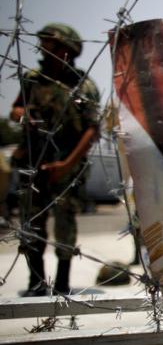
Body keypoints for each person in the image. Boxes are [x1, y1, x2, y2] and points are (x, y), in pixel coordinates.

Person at [10, 23, 99, 297]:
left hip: (67, 164)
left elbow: (92, 130)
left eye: (51, 44)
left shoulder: (83, 87)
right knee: (32, 222)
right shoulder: (34, 79)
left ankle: (61, 283)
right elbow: (16, 108)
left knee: (64, 222)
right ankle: (35, 282)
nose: (44, 48)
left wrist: (66, 165)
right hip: (34, 161)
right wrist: (25, 117)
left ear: (66, 50)